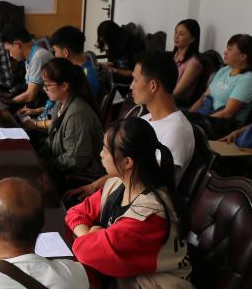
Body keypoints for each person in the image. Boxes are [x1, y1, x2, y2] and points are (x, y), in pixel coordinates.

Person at [65, 118, 195, 289]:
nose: (100, 154)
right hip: (126, 279)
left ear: (127, 162)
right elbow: (76, 212)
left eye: (106, 150)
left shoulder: (150, 215)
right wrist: (91, 233)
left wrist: (90, 236)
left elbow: (85, 251)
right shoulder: (117, 184)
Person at [66, 51, 195, 201]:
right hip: (121, 196)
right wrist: (93, 187)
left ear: (153, 86)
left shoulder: (177, 130)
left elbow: (149, 182)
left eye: (135, 80)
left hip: (142, 207)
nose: (131, 86)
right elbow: (125, 170)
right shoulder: (145, 119)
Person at [28, 58, 105, 192]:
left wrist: (45, 165)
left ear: (64, 86)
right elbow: (52, 139)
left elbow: (76, 159)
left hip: (80, 174)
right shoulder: (60, 103)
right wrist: (39, 157)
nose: (45, 89)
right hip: (61, 164)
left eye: (47, 85)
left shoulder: (77, 114)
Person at [188, 33, 252, 137]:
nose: (225, 52)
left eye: (230, 49)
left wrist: (196, 121)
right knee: (176, 118)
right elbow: (203, 98)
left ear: (243, 56)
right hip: (207, 116)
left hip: (224, 125)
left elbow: (228, 113)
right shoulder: (224, 70)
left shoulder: (248, 80)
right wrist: (188, 115)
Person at [1, 23, 53, 106]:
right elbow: (29, 86)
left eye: (9, 50)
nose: (10, 55)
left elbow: (30, 95)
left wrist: (9, 102)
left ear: (17, 44)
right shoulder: (31, 56)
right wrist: (11, 95)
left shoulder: (38, 58)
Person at [50, 25, 103, 98]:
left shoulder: (85, 78)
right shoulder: (77, 69)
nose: (55, 55)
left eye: (55, 51)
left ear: (66, 52)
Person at [171, 19, 203, 102]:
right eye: (175, 32)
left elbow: (176, 92)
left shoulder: (193, 64)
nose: (176, 36)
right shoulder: (173, 55)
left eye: (181, 34)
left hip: (176, 102)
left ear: (192, 39)